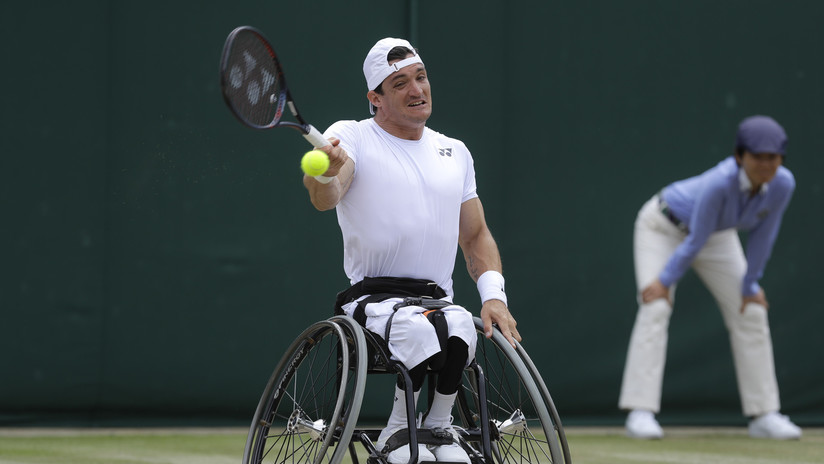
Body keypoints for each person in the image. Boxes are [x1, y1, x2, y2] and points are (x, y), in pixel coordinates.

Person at [302, 37, 520, 463]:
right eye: (399, 83)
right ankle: (399, 431)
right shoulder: (350, 136)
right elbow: (324, 196)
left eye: (420, 77)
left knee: (460, 329)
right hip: (373, 300)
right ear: (375, 98)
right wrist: (324, 174)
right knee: (419, 330)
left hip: (436, 302)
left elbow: (475, 236)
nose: (416, 89)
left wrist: (494, 297)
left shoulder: (455, 151)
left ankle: (438, 427)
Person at [618, 115, 802, 440]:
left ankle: (764, 414)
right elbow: (694, 241)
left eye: (772, 157)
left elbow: (764, 235)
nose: (765, 164)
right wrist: (663, 282)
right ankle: (640, 411)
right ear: (739, 157)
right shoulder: (720, 182)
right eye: (757, 156)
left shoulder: (783, 184)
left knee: (752, 309)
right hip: (662, 226)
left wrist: (750, 285)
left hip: (716, 235)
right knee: (656, 306)